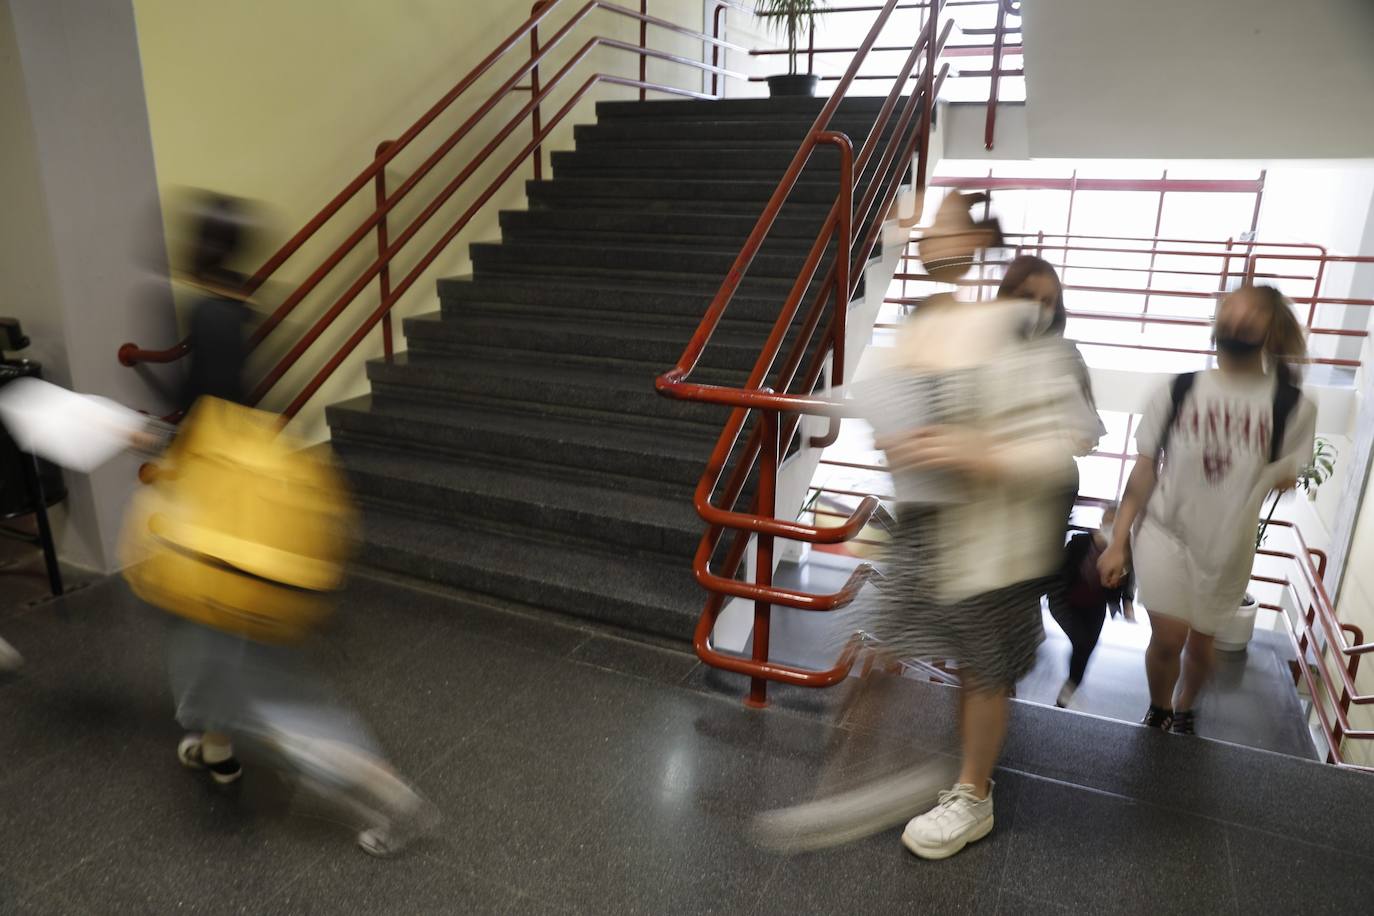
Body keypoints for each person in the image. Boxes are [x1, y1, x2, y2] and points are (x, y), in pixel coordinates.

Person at [152, 193, 435, 855]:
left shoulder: (208, 316)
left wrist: (152, 426)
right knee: (215, 656)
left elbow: (202, 407)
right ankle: (215, 746)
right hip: (249, 519)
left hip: (216, 527)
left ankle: (391, 794)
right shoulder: (249, 311)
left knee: (259, 692)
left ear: (197, 248)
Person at [858, 257, 1102, 859]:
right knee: (961, 659)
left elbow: (1067, 447)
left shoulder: (1057, 362)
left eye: (1047, 299)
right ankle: (970, 761)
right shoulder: (973, 345)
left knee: (986, 666)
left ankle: (974, 794)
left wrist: (987, 452)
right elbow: (920, 409)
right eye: (1023, 294)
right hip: (951, 528)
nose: (1034, 308)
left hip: (1009, 540)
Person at [1098, 285, 1316, 736]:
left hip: (1227, 548)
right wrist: (1118, 540)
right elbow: (1143, 472)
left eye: (1249, 314)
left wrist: (1274, 473)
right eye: (1229, 312)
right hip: (1164, 535)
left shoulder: (1293, 407)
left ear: (1271, 328)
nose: (1236, 321)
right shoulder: (1178, 389)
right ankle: (1160, 707)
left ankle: (1186, 704)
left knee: (1201, 648)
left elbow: (1289, 476)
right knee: (1169, 638)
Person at [1048, 503, 1135, 709]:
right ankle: (1067, 691)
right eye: (1108, 523)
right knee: (1082, 642)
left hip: (1095, 608)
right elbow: (1058, 571)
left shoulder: (1124, 552)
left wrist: (1127, 602)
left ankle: (1070, 687)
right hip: (1065, 603)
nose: (1112, 530)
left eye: (1117, 526)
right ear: (1100, 523)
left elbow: (1129, 580)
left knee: (1087, 649)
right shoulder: (1080, 543)